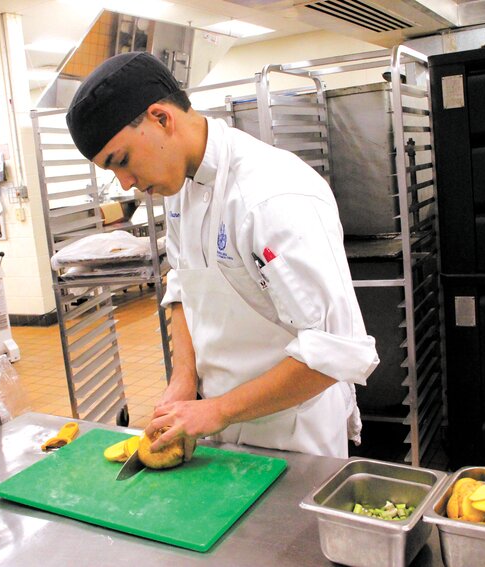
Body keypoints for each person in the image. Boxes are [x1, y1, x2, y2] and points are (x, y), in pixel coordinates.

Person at [66, 52, 379, 458]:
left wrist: (219, 410)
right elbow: (183, 286)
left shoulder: (272, 195)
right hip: (216, 425)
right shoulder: (181, 189)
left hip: (293, 436)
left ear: (162, 118)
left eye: (121, 161)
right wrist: (183, 378)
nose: (125, 183)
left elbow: (339, 349)